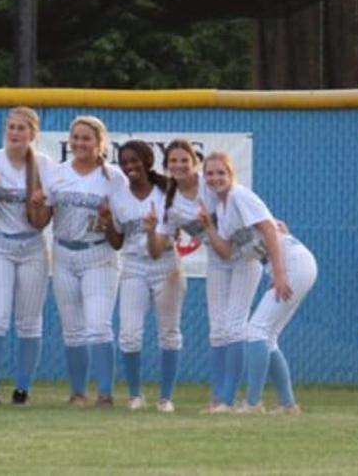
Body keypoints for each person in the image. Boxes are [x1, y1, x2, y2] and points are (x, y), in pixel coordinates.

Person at [200, 152, 317, 415]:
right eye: (210, 173)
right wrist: (208, 228)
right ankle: (288, 405)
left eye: (222, 172)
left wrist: (279, 273)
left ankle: (253, 403)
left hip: (292, 262)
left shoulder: (240, 195)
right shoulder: (222, 208)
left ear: (232, 175)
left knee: (255, 330)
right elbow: (228, 252)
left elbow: (268, 230)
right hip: (288, 263)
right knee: (268, 337)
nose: (215, 178)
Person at [148, 137, 255, 412]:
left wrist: (272, 225)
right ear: (167, 166)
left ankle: (230, 398)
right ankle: (220, 398)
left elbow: (249, 211)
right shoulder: (170, 204)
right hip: (218, 260)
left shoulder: (211, 187)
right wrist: (150, 230)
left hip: (243, 257)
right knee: (218, 330)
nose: (180, 165)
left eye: (185, 160)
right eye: (174, 161)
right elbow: (157, 247)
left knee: (234, 327)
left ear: (195, 163)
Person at [34, 114, 127, 407]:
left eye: (87, 138)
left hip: (99, 253)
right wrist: (35, 205)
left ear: (100, 143)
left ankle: (105, 393)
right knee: (72, 329)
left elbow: (119, 233)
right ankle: (77, 393)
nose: (79, 143)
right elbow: (41, 220)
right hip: (63, 252)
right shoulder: (57, 173)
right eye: (75, 137)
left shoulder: (114, 178)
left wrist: (110, 220)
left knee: (98, 325)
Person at [0, 106, 52, 406]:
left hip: (31, 245)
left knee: (30, 321)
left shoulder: (44, 166)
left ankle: (22, 390)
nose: (15, 133)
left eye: (22, 128)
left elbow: (42, 221)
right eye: (12, 127)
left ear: (33, 133)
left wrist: (39, 203)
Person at [103, 140, 185, 412]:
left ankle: (166, 398)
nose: (130, 167)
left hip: (166, 265)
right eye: (124, 162)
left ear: (148, 160)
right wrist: (105, 223)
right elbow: (117, 242)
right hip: (134, 266)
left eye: (135, 160)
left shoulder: (167, 191)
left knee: (169, 333)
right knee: (129, 334)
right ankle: (135, 395)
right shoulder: (119, 197)